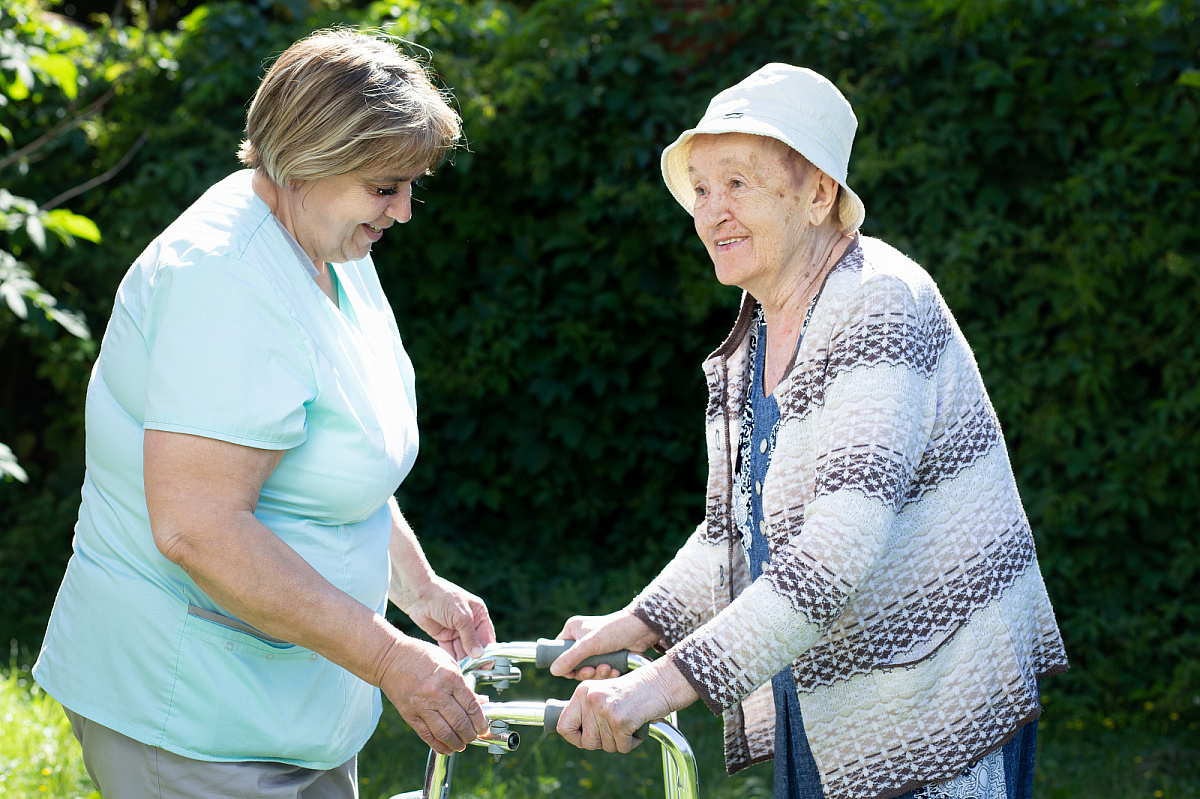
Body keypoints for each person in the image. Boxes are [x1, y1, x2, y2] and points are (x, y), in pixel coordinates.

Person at [550, 63, 1069, 799]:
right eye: (700, 189)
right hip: (825, 685)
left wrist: (658, 687)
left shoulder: (877, 302)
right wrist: (639, 621)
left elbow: (838, 545)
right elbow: (741, 528)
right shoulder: (763, 325)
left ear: (820, 193)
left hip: (932, 695)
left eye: (737, 183)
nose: (711, 212)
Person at [33, 29, 494, 798]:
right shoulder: (222, 280)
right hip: (187, 712)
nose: (405, 211)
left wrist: (417, 587)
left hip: (294, 706)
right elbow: (197, 527)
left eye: (412, 184)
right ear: (308, 158)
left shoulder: (330, 242)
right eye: (387, 186)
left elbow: (340, 457)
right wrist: (387, 659)